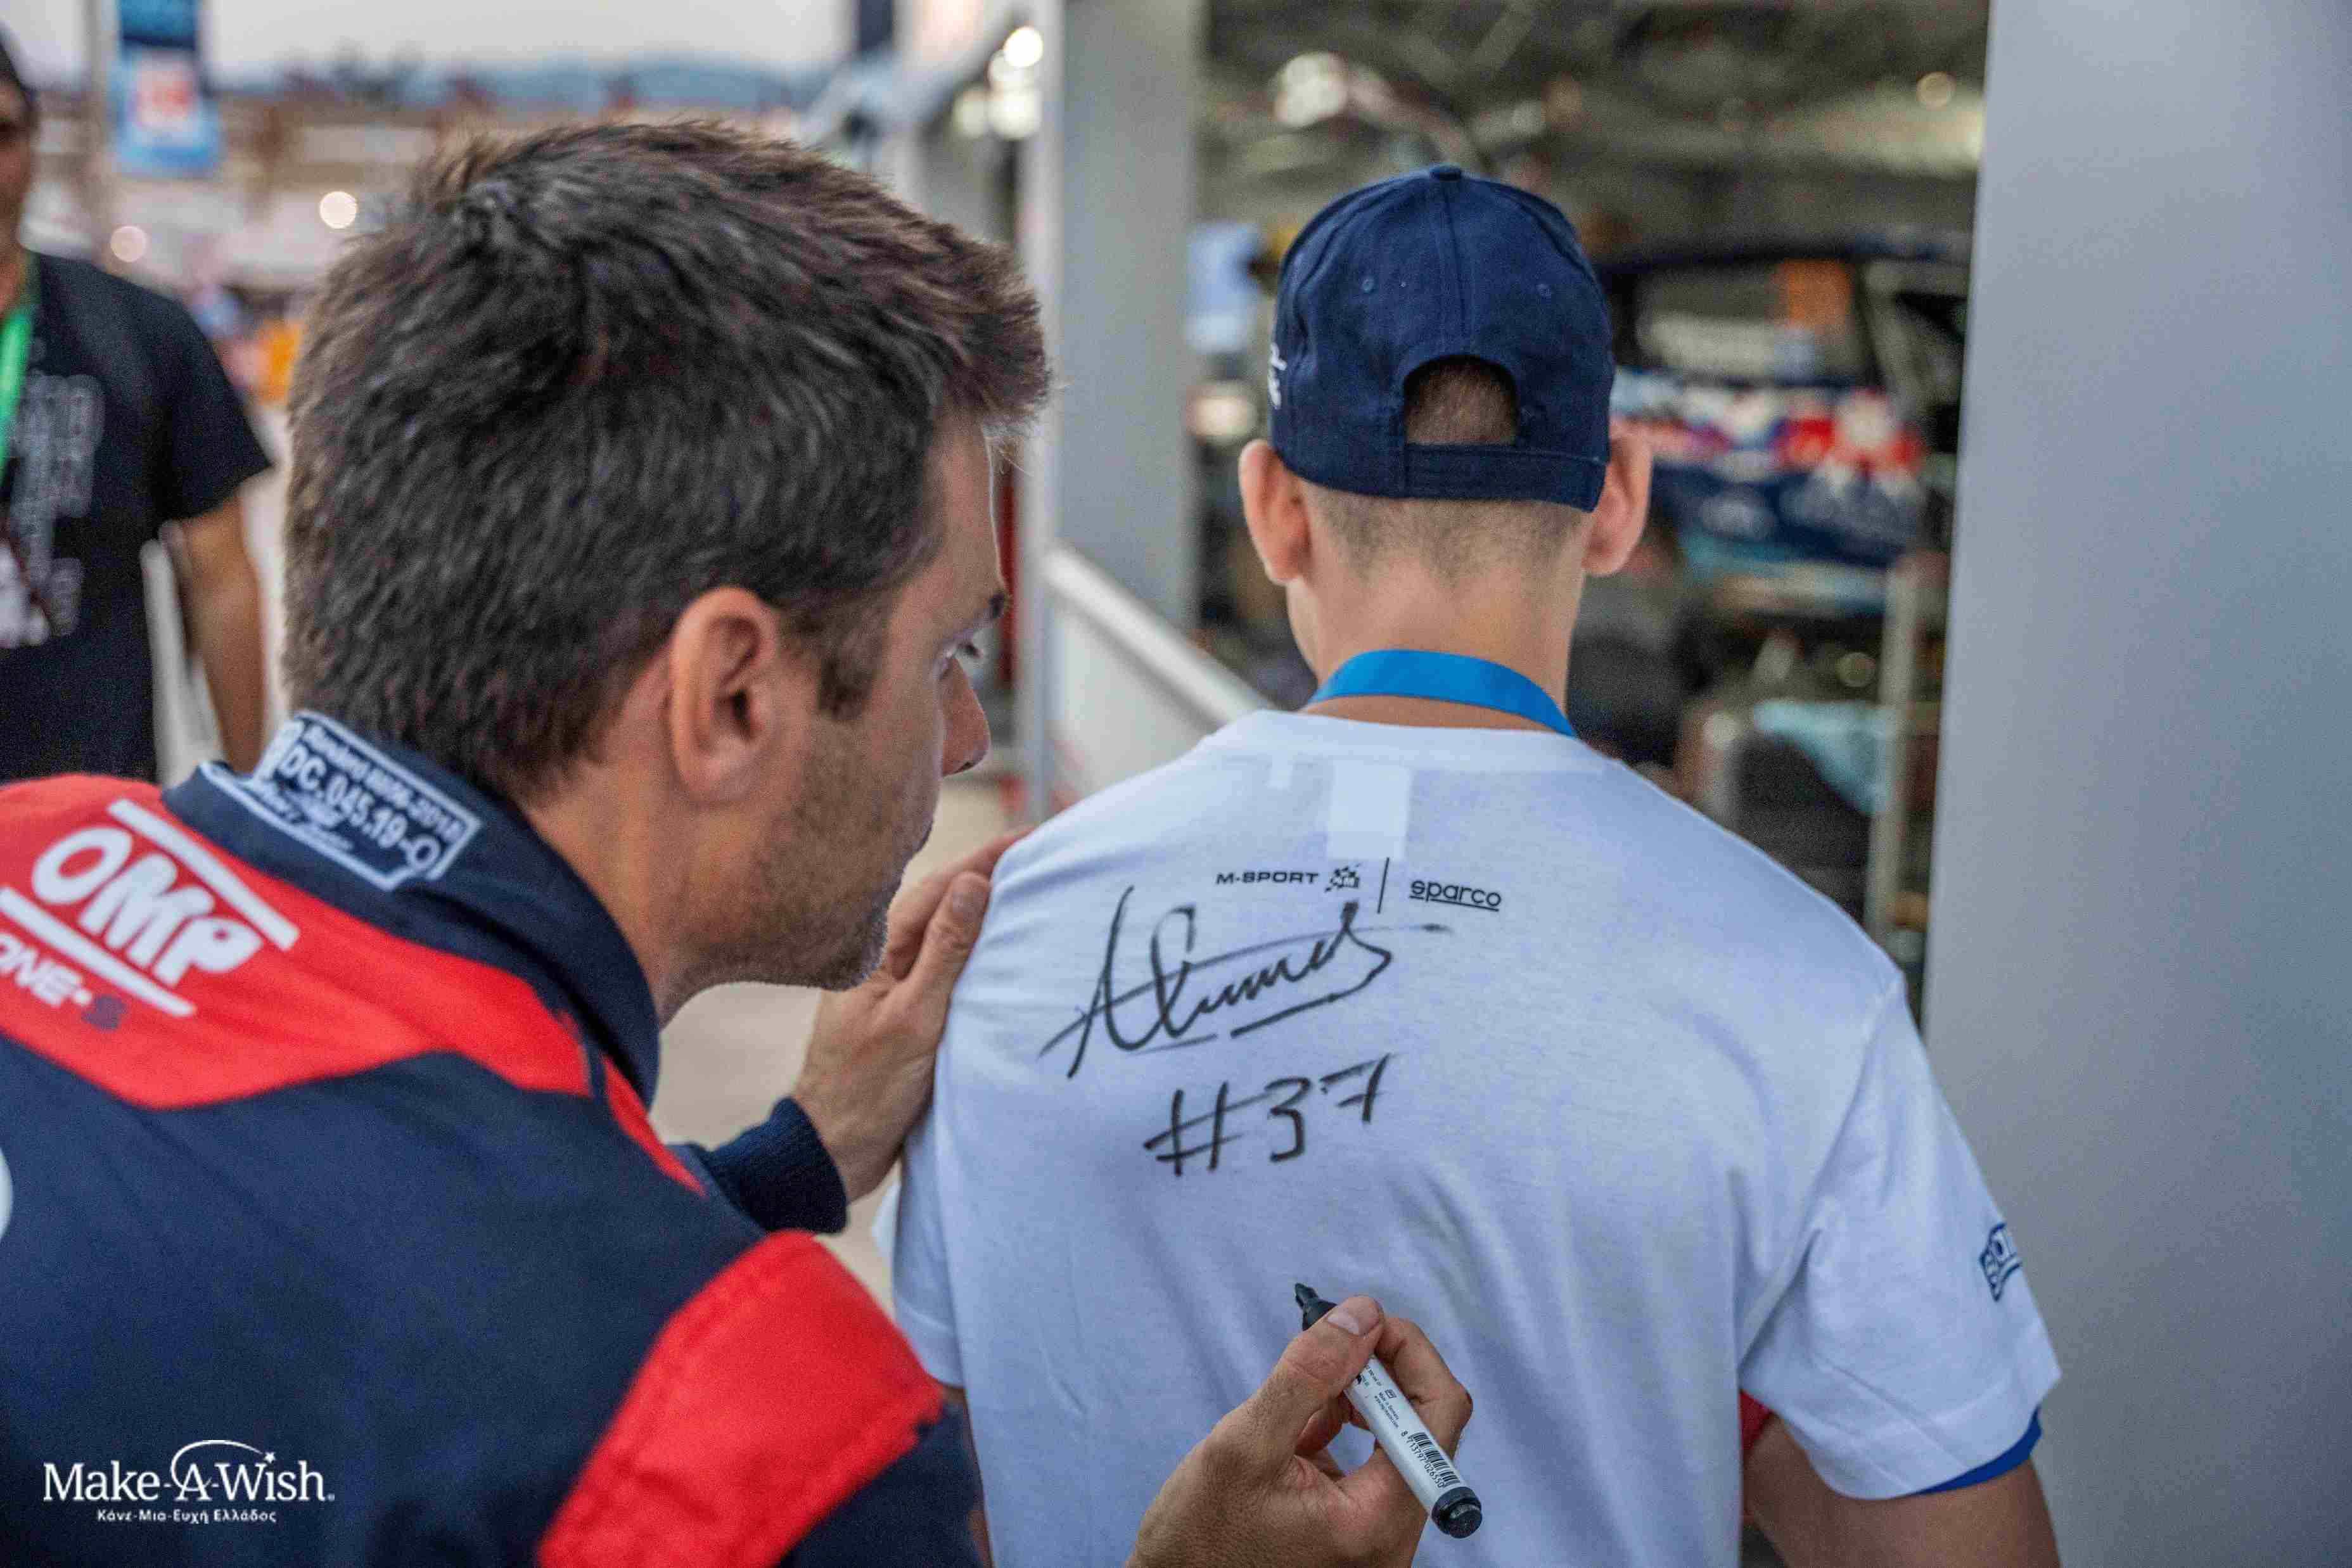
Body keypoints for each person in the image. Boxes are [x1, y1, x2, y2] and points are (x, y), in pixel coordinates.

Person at [0, 124, 1469, 1567]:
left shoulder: (32, 847)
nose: (966, 737)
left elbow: (357, 1266)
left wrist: (789, 1161)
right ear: (731, 698)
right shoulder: (765, 1448)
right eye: (948, 654)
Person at [889, 165, 2064, 1567]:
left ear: (1271, 507)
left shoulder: (1003, 936)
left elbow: (937, 1493)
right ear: (1617, 498)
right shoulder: (1805, 985)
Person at [0, 30, 272, 782]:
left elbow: (222, 578)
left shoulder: (138, 334)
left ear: (34, 143)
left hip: (89, 819)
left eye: (3, 134)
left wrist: (251, 795)